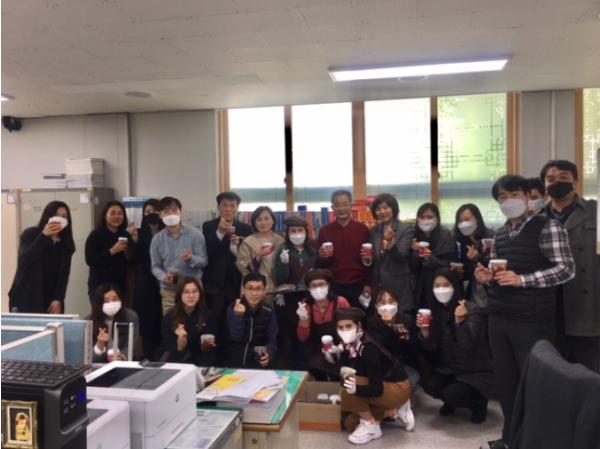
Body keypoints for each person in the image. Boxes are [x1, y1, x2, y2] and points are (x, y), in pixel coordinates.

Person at [475, 174, 575, 449]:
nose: (508, 201)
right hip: (499, 316)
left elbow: (566, 269)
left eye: (514, 194)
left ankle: (536, 441)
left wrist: (524, 279)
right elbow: (500, 272)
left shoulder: (548, 227)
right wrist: (487, 277)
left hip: (532, 320)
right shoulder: (500, 234)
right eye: (502, 197)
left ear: (528, 196)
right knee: (506, 384)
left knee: (535, 384)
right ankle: (511, 439)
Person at [541, 160, 600, 372]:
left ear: (575, 181)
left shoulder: (595, 211)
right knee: (553, 368)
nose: (557, 182)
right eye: (550, 179)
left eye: (564, 177)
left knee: (588, 369)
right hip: (549, 303)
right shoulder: (537, 218)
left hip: (587, 303)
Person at [417, 268, 492, 424]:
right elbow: (430, 348)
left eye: (446, 285)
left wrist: (460, 323)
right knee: (429, 384)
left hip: (474, 371)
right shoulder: (435, 311)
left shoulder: (472, 310)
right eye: (437, 286)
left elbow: (468, 346)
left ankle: (479, 402)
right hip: (450, 368)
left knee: (453, 394)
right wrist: (425, 331)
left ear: (455, 286)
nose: (441, 289)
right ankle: (450, 400)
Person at [338, 307, 413, 444]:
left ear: (358, 326)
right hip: (378, 386)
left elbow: (377, 389)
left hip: (397, 387)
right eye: (340, 327)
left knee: (348, 388)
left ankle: (372, 426)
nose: (344, 331)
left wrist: (355, 390)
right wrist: (333, 355)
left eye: (348, 326)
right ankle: (393, 411)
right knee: (350, 423)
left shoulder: (368, 348)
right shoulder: (348, 345)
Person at [202, 192, 252, 344]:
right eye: (224, 205)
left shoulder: (245, 228)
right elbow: (208, 252)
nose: (228, 209)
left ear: (237, 208)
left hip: (236, 283)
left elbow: (247, 258)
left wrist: (237, 246)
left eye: (232, 206)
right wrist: (220, 233)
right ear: (218, 207)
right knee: (214, 321)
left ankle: (232, 353)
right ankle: (212, 354)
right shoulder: (209, 226)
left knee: (234, 321)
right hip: (214, 284)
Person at [9, 201, 75, 314]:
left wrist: (58, 299)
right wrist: (44, 235)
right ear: (48, 216)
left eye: (64, 217)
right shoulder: (30, 234)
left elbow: (64, 274)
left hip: (51, 298)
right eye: (56, 215)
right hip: (26, 295)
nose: (60, 219)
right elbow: (26, 258)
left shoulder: (65, 244)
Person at [150, 196, 208, 314]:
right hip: (169, 291)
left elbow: (204, 261)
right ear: (160, 215)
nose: (170, 214)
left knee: (196, 319)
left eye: (174, 210)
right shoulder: (157, 239)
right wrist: (163, 277)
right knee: (171, 320)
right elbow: (155, 266)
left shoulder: (196, 235)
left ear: (180, 211)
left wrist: (191, 259)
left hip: (193, 288)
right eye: (166, 211)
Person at [274, 214, 317, 369]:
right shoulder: (283, 250)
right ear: (287, 233)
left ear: (306, 232)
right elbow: (280, 277)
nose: (297, 234)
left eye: (300, 230)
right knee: (289, 336)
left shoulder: (312, 251)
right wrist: (283, 264)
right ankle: (291, 367)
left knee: (306, 334)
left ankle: (306, 367)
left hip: (308, 298)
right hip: (289, 300)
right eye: (293, 231)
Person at [317, 190, 372, 309]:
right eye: (337, 205)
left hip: (358, 285)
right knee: (336, 318)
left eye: (345, 204)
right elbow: (320, 264)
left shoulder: (363, 230)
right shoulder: (324, 231)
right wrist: (321, 256)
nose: (341, 208)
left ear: (351, 206)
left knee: (358, 318)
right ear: (332, 208)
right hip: (333, 286)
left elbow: (368, 261)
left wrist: (367, 284)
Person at [297, 269, 350, 379]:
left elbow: (351, 331)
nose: (318, 288)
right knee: (320, 379)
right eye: (313, 286)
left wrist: (340, 348)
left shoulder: (340, 302)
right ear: (309, 289)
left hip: (339, 348)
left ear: (328, 286)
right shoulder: (305, 305)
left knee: (338, 380)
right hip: (317, 351)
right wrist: (303, 319)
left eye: (321, 284)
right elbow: (302, 338)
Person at [369, 194, 415, 314]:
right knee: (381, 321)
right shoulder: (374, 230)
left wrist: (390, 244)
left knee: (401, 321)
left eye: (386, 207)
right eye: (378, 209)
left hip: (399, 287)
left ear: (393, 208)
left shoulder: (406, 229)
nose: (382, 212)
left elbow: (401, 257)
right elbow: (375, 259)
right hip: (379, 287)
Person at [130, 199, 164, 360]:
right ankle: (149, 357)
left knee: (163, 322)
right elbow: (134, 259)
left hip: (165, 283)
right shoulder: (139, 232)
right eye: (147, 211)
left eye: (155, 211)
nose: (151, 214)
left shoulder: (168, 231)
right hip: (146, 284)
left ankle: (162, 356)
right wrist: (135, 240)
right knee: (148, 324)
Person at [366, 289, 420, 392]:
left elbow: (414, 350)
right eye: (383, 303)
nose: (387, 306)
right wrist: (387, 327)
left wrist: (407, 339)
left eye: (391, 302)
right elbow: (379, 351)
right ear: (377, 306)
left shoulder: (406, 320)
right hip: (383, 365)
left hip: (403, 363)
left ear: (397, 304)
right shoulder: (373, 324)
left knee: (412, 379)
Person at [225, 273, 278, 368]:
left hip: (258, 360)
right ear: (243, 290)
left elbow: (272, 339)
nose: (254, 293)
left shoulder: (269, 310)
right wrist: (239, 317)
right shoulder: (233, 307)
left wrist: (269, 354)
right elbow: (235, 337)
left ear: (264, 291)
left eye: (258, 289)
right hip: (236, 360)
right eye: (250, 288)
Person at [409, 202, 456, 310]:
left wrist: (431, 258)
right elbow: (411, 267)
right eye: (422, 217)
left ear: (437, 218)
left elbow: (450, 265)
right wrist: (415, 252)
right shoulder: (414, 236)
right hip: (420, 288)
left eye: (430, 217)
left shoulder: (446, 236)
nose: (425, 221)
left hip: (441, 287)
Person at [161, 277, 217, 365]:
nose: (191, 296)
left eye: (195, 291)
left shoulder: (207, 315)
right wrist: (181, 343)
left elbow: (208, 350)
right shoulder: (170, 317)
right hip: (178, 363)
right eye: (186, 292)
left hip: (201, 363)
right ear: (180, 294)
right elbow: (170, 350)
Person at [85, 201, 132, 303]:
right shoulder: (95, 235)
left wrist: (131, 247)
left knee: (120, 312)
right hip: (99, 285)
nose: (117, 216)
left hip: (119, 285)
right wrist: (112, 251)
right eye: (112, 213)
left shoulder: (125, 235)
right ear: (105, 215)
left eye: (120, 213)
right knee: (100, 312)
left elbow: (132, 260)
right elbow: (90, 260)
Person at [236, 206, 285, 300]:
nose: (263, 222)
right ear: (254, 223)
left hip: (278, 288)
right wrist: (258, 257)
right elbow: (243, 268)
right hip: (256, 289)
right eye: (259, 219)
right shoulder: (248, 242)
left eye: (266, 218)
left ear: (273, 221)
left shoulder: (281, 241)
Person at [452, 203, 495, 309]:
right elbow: (468, 272)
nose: (464, 223)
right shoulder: (460, 242)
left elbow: (496, 264)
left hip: (491, 292)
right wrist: (460, 272)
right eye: (460, 221)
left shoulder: (491, 237)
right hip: (472, 294)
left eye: (467, 219)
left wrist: (478, 257)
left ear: (477, 219)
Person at [88, 283, 140, 363]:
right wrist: (99, 347)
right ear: (99, 303)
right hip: (100, 365)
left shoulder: (130, 316)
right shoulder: (89, 321)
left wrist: (122, 356)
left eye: (115, 299)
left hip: (123, 364)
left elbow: (133, 346)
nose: (111, 303)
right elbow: (88, 358)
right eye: (106, 301)